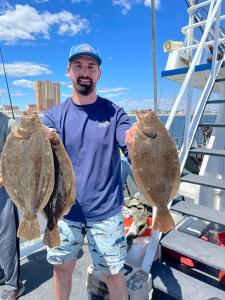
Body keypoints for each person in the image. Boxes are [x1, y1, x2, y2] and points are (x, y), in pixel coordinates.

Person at [42, 43, 136, 300]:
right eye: (78, 66)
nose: (84, 72)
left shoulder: (114, 113)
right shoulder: (52, 117)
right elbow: (40, 157)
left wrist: (133, 141)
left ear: (99, 74)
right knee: (62, 269)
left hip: (105, 212)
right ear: (69, 72)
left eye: (90, 67)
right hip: (63, 211)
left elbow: (128, 144)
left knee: (114, 274)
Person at [0, 112, 25, 300]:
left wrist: (5, 176)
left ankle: (12, 284)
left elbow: (23, 153)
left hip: (3, 190)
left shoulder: (9, 124)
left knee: (6, 238)